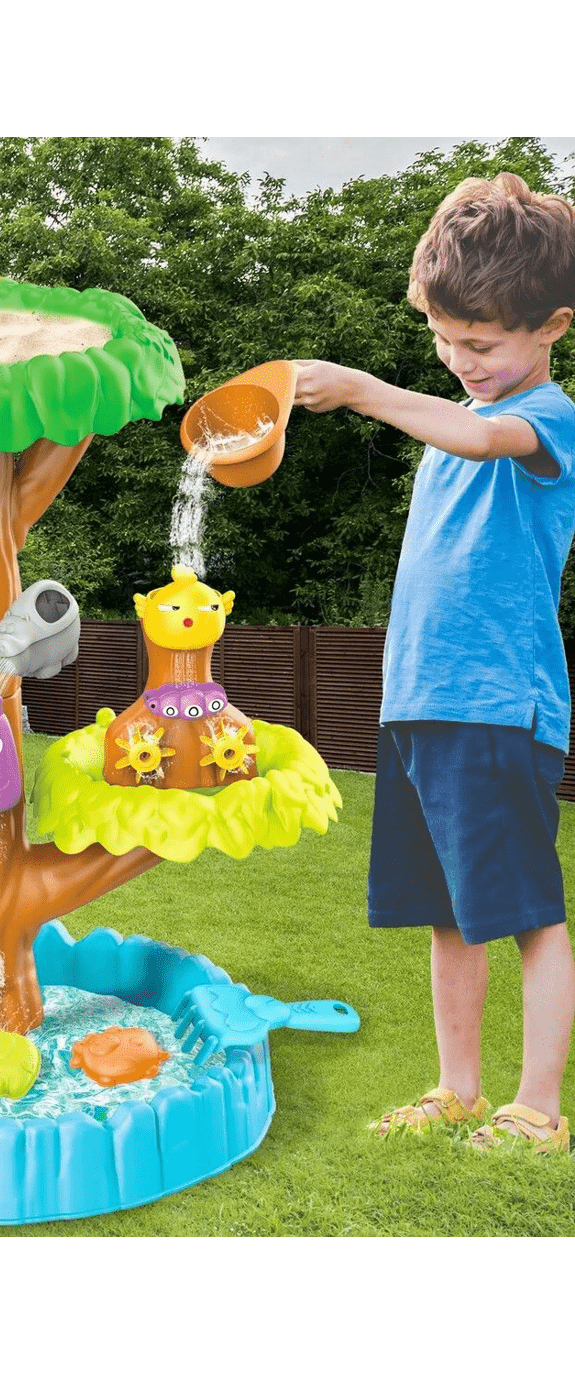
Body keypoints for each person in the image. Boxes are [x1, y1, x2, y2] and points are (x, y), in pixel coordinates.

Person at [293, 171, 575, 1154]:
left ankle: (536, 1107)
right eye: (443, 339)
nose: (460, 361)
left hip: (494, 706)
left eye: (480, 345)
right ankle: (457, 1089)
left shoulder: (546, 419)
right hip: (419, 704)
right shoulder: (450, 425)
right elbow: (457, 426)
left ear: (553, 327)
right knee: (446, 914)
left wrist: (363, 390)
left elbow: (484, 435)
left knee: (529, 915)